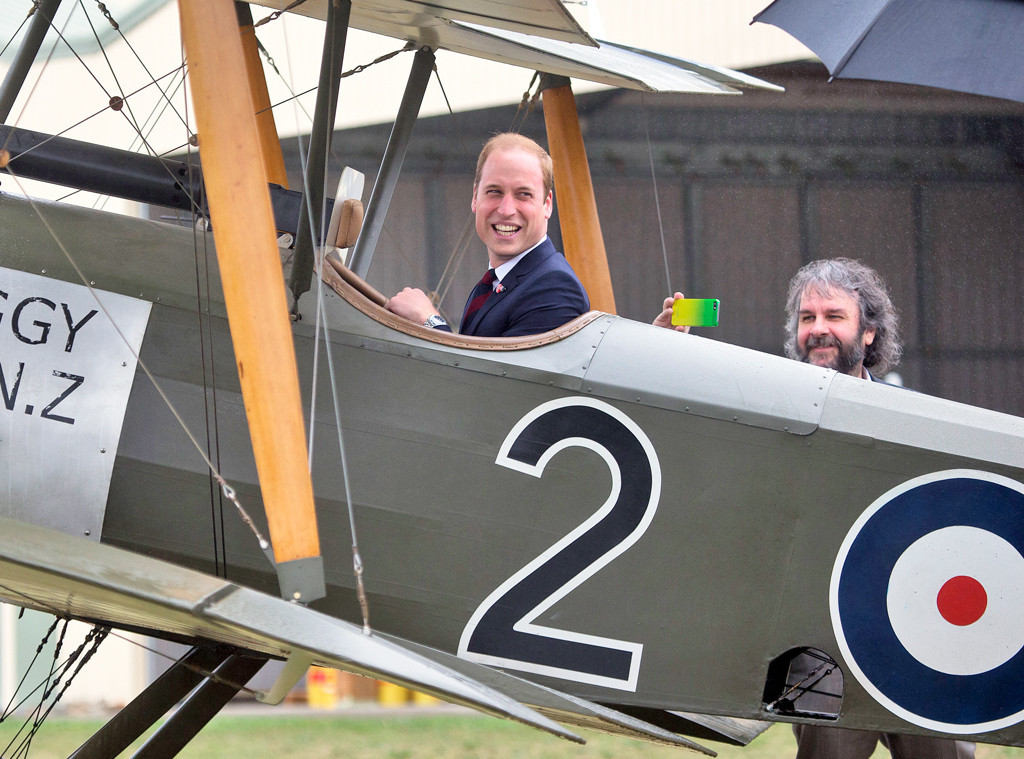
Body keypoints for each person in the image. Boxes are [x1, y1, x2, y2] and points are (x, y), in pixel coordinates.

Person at [783, 258, 973, 759]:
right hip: (818, 645)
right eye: (807, 318)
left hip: (913, 634)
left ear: (868, 333)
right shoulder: (773, 410)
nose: (818, 329)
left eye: (833, 315)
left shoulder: (911, 418)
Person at [385, 133, 589, 338]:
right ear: (475, 197)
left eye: (524, 194)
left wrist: (428, 321)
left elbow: (495, 371)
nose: (506, 209)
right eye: (494, 191)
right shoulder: (496, 283)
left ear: (547, 204)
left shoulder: (554, 288)